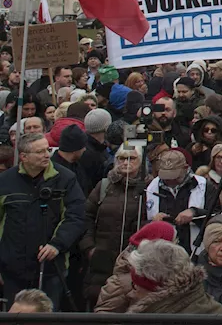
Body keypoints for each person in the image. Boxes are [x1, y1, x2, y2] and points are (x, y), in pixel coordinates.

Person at [0, 132, 86, 309]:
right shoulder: (5, 182)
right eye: (39, 152)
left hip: (51, 268)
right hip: (12, 269)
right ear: (24, 157)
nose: (47, 155)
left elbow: (75, 216)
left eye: (47, 149)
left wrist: (57, 244)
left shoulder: (65, 179)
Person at [80, 143, 146, 308]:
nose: (126, 162)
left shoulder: (147, 188)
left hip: (133, 260)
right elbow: (86, 216)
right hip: (101, 258)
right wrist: (89, 247)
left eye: (132, 158)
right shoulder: (103, 186)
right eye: (122, 158)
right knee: (98, 301)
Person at [94, 220, 177, 312]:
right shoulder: (122, 282)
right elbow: (103, 315)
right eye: (173, 242)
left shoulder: (175, 275)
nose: (176, 247)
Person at [124, 239, 222, 314]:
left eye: (135, 286)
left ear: (154, 287)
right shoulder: (210, 309)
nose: (131, 294)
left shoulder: (161, 317)